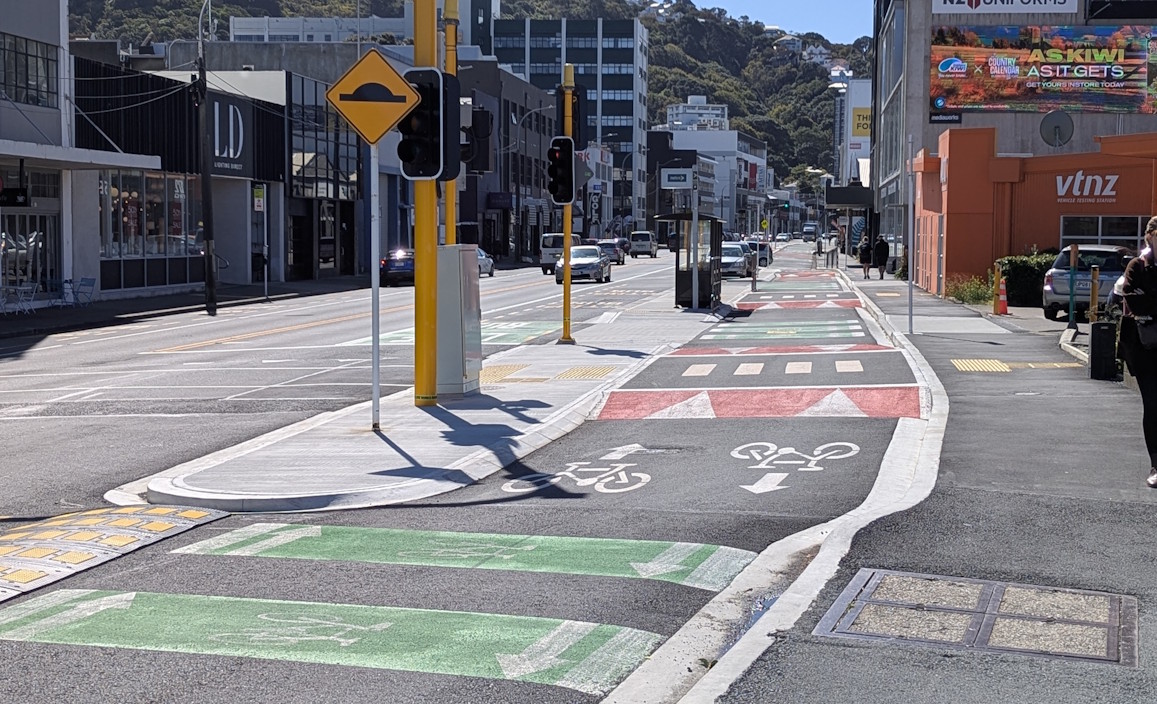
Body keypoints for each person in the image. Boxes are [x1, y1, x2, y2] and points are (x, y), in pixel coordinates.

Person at [1119, 216, 1157, 487]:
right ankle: (1156, 465)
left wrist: (1150, 301)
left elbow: (1145, 302)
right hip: (1145, 348)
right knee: (1153, 404)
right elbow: (1133, 300)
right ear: (1150, 237)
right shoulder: (1137, 265)